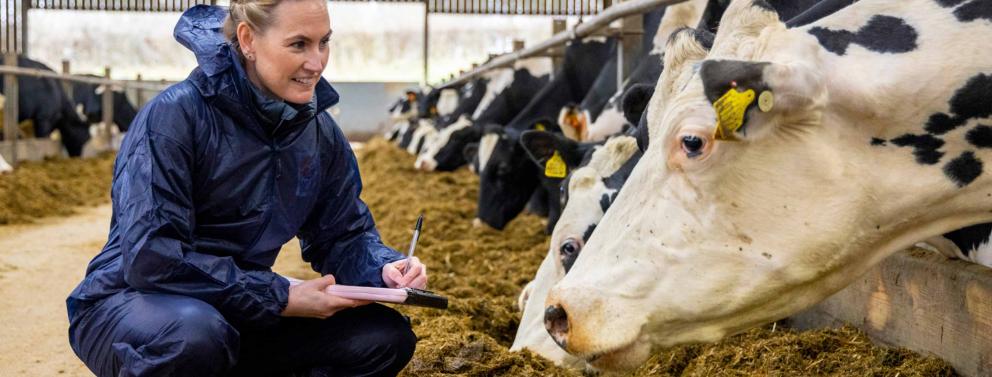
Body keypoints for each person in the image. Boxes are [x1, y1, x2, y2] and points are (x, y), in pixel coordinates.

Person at [65, 1, 427, 376]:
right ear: (248, 39)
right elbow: (152, 257)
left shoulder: (318, 133)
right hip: (133, 303)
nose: (317, 63)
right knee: (195, 338)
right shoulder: (176, 116)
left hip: (236, 307)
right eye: (299, 44)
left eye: (324, 42)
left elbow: (343, 234)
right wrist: (279, 296)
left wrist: (384, 268)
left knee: (381, 338)